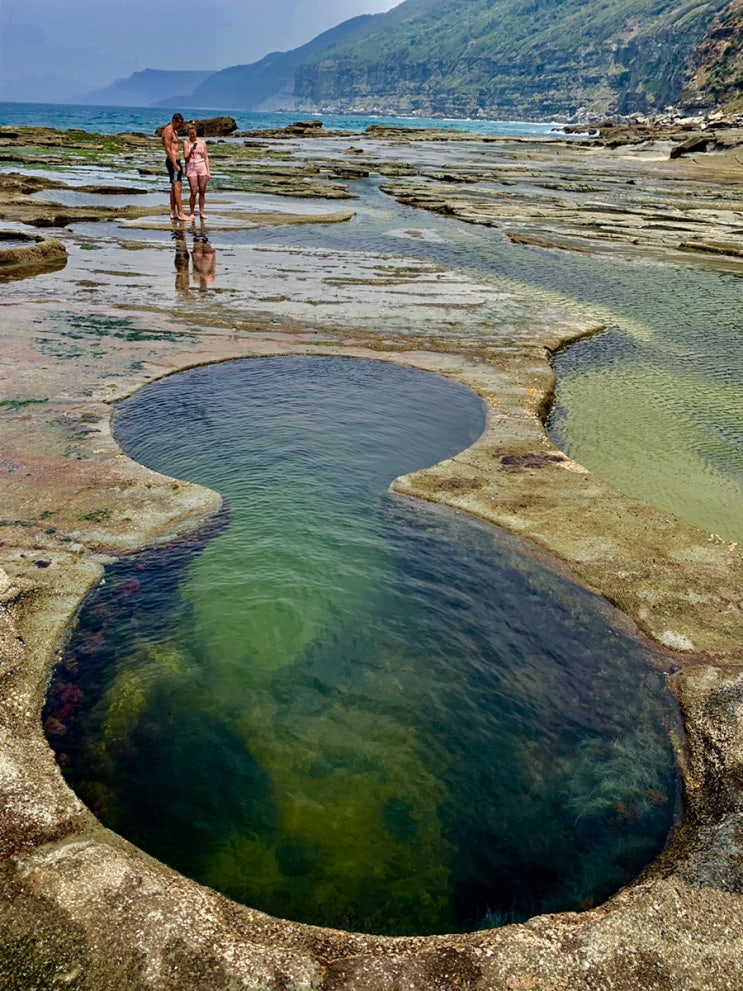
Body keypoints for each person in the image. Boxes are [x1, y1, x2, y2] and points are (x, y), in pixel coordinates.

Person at [162, 112, 187, 221]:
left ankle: (173, 212)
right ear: (174, 121)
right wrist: (175, 164)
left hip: (176, 160)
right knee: (178, 187)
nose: (180, 126)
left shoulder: (175, 131)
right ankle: (181, 213)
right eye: (179, 124)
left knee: (174, 187)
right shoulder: (168, 130)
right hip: (173, 161)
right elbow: (168, 149)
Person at [184, 122, 211, 221]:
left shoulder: (202, 142)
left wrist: (208, 171)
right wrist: (191, 151)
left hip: (201, 166)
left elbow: (206, 157)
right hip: (191, 167)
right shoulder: (186, 142)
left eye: (193, 133)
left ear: (196, 132)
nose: (192, 135)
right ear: (188, 134)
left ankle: (202, 211)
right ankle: (192, 213)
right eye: (190, 134)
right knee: (193, 191)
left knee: (202, 191)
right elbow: (186, 158)